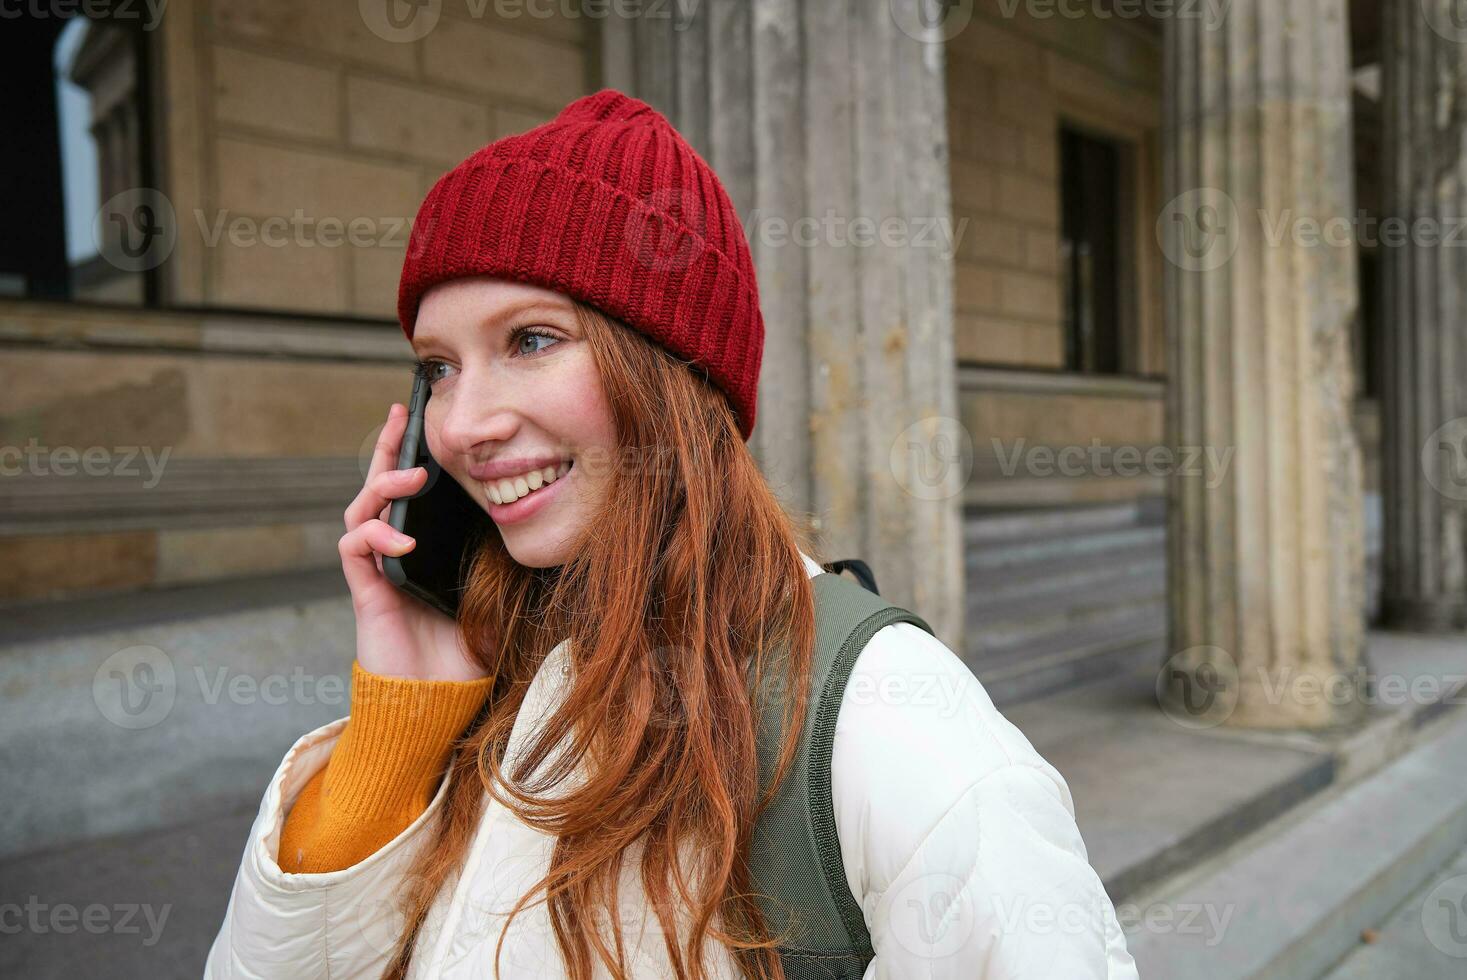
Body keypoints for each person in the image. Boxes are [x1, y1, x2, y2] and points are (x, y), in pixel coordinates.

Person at [203, 88, 1139, 980]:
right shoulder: (483, 683)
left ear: (673, 378)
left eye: (530, 340)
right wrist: (395, 731)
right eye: (438, 367)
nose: (458, 425)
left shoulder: (887, 721)